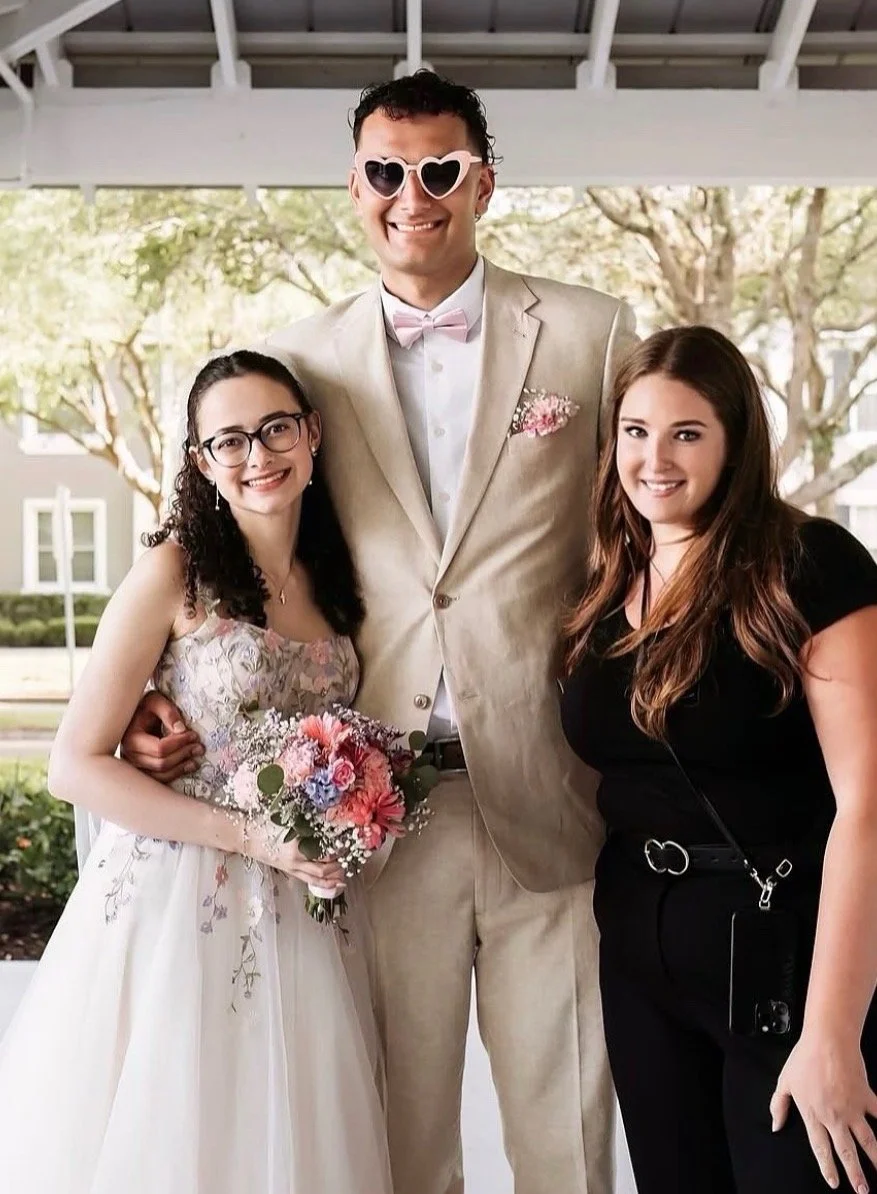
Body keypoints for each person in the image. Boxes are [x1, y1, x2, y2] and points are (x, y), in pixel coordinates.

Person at [120, 70, 637, 1194]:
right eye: (387, 170)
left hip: (551, 793)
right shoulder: (300, 359)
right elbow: (238, 531)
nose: (415, 193)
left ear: (483, 183)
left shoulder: (592, 335)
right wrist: (162, 691)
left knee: (570, 1142)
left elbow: (641, 529)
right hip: (375, 808)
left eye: (441, 168)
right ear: (352, 187)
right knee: (396, 1145)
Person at [0, 351, 393, 1194]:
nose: (258, 456)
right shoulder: (174, 574)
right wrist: (250, 834)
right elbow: (73, 765)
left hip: (305, 909)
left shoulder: (339, 576)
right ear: (200, 462)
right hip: (182, 899)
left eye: (275, 428)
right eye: (230, 441)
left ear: (311, 433)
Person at [560, 324, 877, 1194]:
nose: (653, 458)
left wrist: (832, 1033)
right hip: (637, 950)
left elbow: (867, 808)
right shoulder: (604, 583)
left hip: (778, 952)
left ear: (735, 441)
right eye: (634, 432)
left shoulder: (806, 565)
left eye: (685, 433)